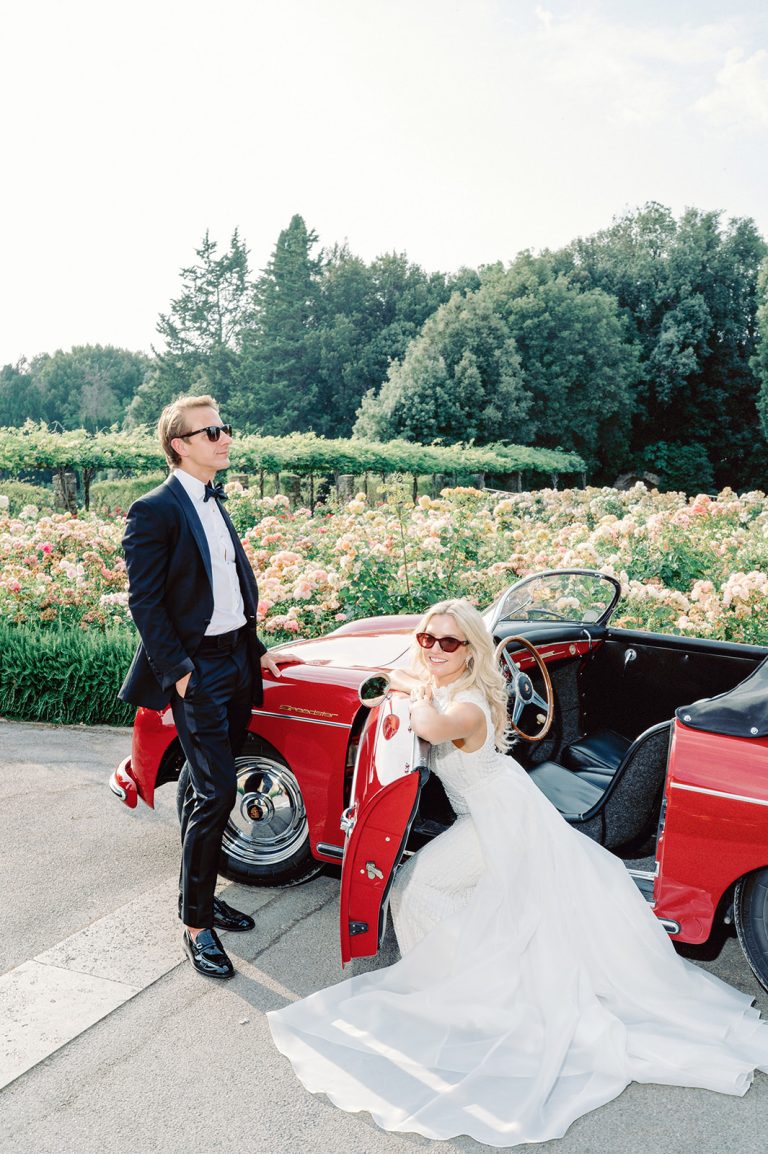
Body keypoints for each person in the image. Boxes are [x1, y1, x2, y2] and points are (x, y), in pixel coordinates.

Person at [268, 598, 768, 1147]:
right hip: (500, 805)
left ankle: (469, 997)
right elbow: (411, 679)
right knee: (446, 893)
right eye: (427, 638)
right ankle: (465, 979)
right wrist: (401, 673)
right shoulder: (457, 681)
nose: (434, 649)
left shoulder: (466, 707)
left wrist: (407, 688)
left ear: (473, 652)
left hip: (493, 817)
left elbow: (427, 724)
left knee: (419, 886)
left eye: (450, 643)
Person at [119, 394, 289, 980]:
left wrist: (253, 651)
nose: (224, 437)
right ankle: (195, 925)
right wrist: (182, 673)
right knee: (217, 793)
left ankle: (201, 893)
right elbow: (146, 602)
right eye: (210, 430)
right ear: (180, 444)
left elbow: (227, 585)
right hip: (198, 673)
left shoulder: (215, 500)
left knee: (201, 786)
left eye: (226, 426)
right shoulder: (155, 509)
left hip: (236, 662)